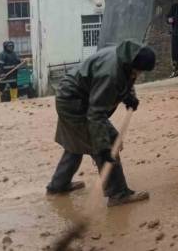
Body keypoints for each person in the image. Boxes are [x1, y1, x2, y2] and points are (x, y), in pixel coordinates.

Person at [46, 40, 155, 206]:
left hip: (72, 96)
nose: (138, 74)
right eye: (138, 70)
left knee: (76, 142)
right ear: (133, 63)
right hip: (74, 103)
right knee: (107, 144)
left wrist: (129, 96)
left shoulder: (125, 55)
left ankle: (58, 185)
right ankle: (118, 194)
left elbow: (127, 77)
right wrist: (103, 148)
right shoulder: (109, 74)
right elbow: (96, 114)